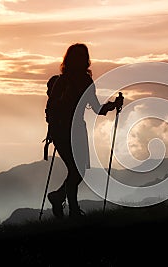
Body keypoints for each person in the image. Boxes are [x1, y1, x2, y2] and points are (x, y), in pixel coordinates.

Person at [45, 43, 123, 219]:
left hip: (68, 130)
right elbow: (97, 109)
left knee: (78, 171)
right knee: (77, 170)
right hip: (67, 130)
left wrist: (113, 105)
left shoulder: (71, 81)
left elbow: (97, 109)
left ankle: (59, 198)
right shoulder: (69, 82)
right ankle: (72, 209)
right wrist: (113, 106)